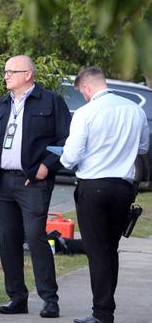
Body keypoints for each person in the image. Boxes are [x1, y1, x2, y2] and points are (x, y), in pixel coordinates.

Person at [60, 67, 149, 323]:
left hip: (93, 186)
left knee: (97, 250)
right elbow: (143, 146)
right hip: (123, 187)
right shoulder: (135, 109)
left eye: (82, 93)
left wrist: (65, 158)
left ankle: (102, 313)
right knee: (111, 249)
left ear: (86, 88)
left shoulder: (86, 113)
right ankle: (105, 309)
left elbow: (71, 156)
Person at [0, 55, 71, 318]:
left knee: (35, 237)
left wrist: (46, 166)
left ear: (28, 74)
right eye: (5, 71)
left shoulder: (50, 101)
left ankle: (50, 299)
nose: (6, 75)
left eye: (12, 71)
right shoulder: (1, 104)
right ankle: (17, 298)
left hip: (32, 181)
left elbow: (66, 139)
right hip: (1, 183)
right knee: (9, 241)